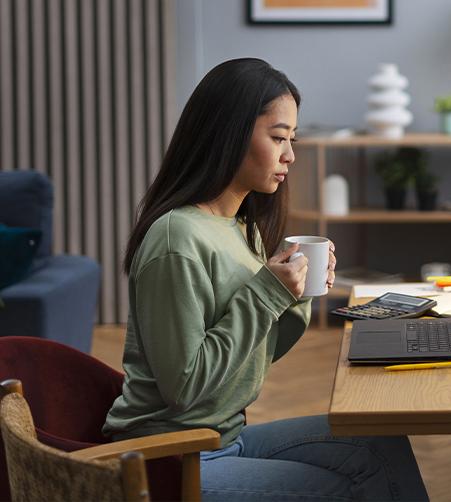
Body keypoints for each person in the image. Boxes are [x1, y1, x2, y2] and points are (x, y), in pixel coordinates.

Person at [104, 58, 428, 501]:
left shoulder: (242, 226)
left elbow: (252, 356)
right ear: (229, 133)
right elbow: (185, 388)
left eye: (291, 140)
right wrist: (266, 293)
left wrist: (295, 295)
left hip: (223, 438)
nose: (290, 155)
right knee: (333, 490)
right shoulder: (175, 238)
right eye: (278, 138)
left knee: (381, 442)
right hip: (168, 458)